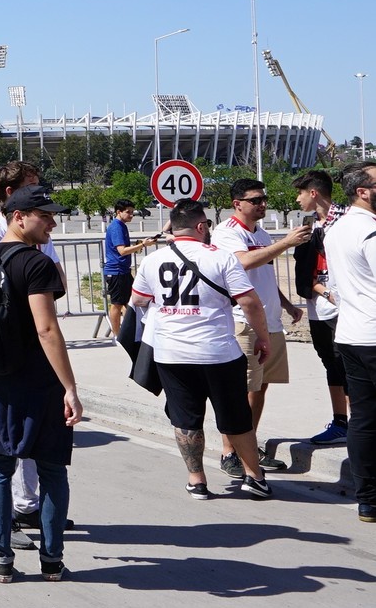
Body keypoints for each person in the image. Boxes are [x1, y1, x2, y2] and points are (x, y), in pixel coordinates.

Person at [129, 198, 276, 501]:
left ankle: (197, 481)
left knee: (185, 419)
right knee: (236, 417)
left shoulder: (152, 260)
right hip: (218, 352)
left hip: (170, 354)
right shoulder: (221, 258)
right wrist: (263, 338)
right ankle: (254, 477)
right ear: (200, 226)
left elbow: (139, 301)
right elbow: (249, 302)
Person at [0, 185, 82, 583]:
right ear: (19, 217)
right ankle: (51, 561)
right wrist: (69, 386)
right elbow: (47, 327)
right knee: (52, 468)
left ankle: (1, 558)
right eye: (45, 216)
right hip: (38, 382)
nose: (53, 222)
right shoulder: (36, 265)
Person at [211, 179, 312, 477]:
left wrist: (287, 304)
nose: (262, 204)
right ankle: (230, 450)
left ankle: (249, 445)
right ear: (237, 203)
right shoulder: (227, 232)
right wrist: (285, 244)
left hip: (270, 323)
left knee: (261, 388)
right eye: (255, 200)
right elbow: (241, 264)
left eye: (264, 199)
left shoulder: (263, 233)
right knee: (241, 391)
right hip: (243, 323)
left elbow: (264, 273)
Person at [322, 161, 376, 523]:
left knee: (364, 419)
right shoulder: (369, 230)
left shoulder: (335, 230)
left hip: (351, 333)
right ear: (363, 191)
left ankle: (367, 499)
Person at [292, 169, 349, 443]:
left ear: (313, 193)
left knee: (352, 366)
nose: (297, 199)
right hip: (318, 308)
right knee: (331, 363)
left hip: (347, 309)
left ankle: (361, 424)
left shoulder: (348, 221)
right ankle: (341, 422)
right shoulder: (307, 224)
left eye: (300, 193)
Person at [102, 199, 158, 339]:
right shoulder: (116, 227)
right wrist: (143, 245)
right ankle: (117, 335)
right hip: (116, 271)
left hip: (124, 271)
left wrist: (139, 245)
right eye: (128, 212)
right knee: (117, 304)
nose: (131, 215)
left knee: (129, 302)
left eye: (133, 212)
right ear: (118, 212)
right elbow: (122, 251)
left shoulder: (122, 226)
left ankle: (129, 332)